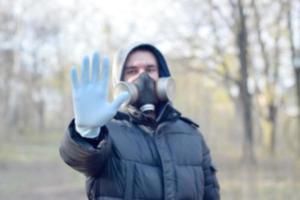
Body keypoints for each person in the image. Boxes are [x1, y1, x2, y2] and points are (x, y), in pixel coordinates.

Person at [59, 43, 220, 200]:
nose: (143, 77)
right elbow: (79, 159)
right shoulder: (106, 133)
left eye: (150, 69)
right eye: (132, 71)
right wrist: (87, 133)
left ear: (162, 76)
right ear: (121, 82)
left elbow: (210, 193)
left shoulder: (191, 135)